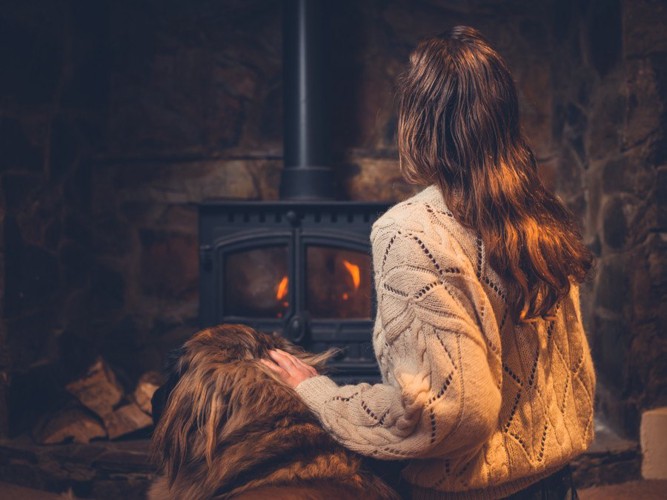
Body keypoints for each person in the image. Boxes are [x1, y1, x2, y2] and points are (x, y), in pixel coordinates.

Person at [263, 26, 595, 499]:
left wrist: (318, 394)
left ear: (418, 120)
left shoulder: (411, 232)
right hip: (556, 485)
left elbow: (454, 413)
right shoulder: (541, 214)